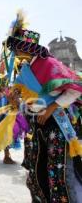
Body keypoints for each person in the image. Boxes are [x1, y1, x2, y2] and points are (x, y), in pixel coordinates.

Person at [5, 11, 82, 202]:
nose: (14, 53)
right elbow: (24, 99)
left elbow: (75, 90)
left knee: (56, 169)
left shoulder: (49, 63)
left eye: (16, 48)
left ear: (25, 47)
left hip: (55, 123)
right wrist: (15, 100)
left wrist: (51, 108)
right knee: (36, 167)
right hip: (36, 126)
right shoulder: (24, 70)